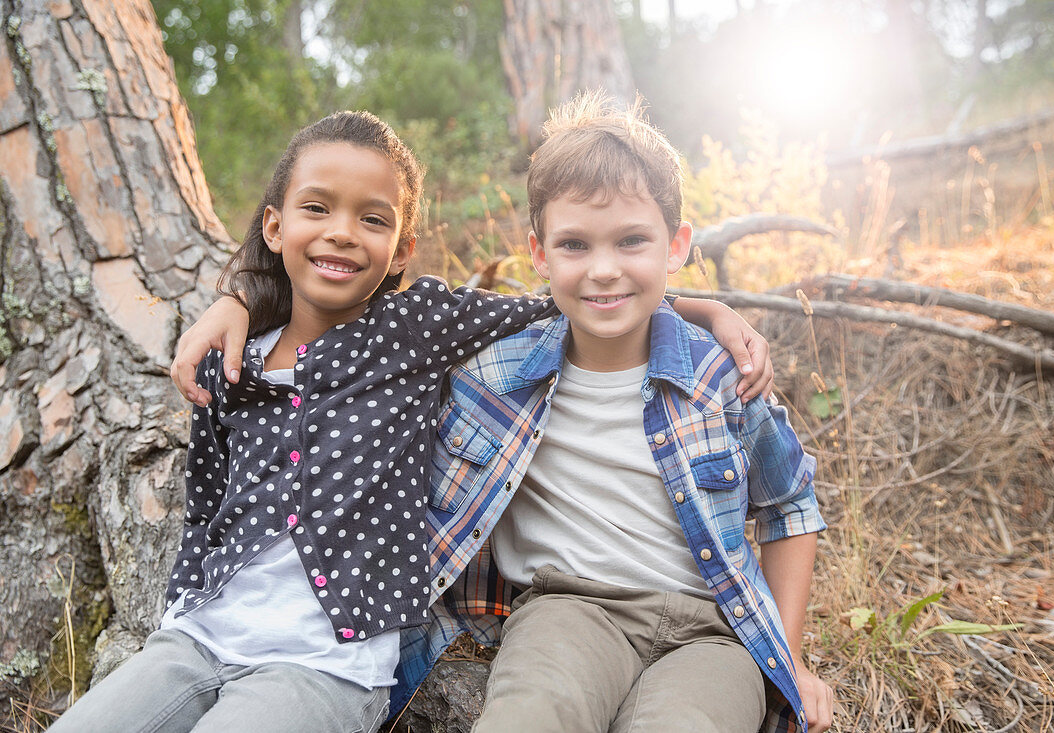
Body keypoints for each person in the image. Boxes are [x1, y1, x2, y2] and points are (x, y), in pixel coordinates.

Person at [58, 109, 773, 732]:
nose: (342, 234)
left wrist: (703, 309)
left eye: (373, 219)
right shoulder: (229, 357)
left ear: (402, 249)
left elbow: (571, 299)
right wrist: (237, 295)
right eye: (317, 209)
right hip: (197, 637)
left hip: (328, 658)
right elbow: (205, 495)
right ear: (273, 225)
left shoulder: (414, 328)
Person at [395, 92, 833, 733]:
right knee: (527, 718)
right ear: (539, 254)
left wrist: (788, 656)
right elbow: (356, 323)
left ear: (676, 244)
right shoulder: (492, 372)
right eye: (574, 245)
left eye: (632, 240)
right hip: (568, 611)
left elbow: (789, 504)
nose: (603, 271)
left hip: (713, 632)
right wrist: (240, 300)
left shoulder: (717, 373)